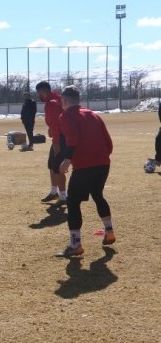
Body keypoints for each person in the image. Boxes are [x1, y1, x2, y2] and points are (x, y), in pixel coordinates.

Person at [56, 86, 114, 257]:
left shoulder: (66, 115)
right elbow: (108, 143)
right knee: (98, 195)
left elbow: (72, 137)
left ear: (65, 101)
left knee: (73, 202)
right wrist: (100, 158)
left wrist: (67, 159)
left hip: (84, 166)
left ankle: (75, 245)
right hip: (103, 164)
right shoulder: (94, 115)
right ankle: (109, 231)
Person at [36, 81, 67, 205]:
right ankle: (54, 192)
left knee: (58, 167)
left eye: (38, 93)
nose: (38, 95)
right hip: (62, 136)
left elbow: (55, 124)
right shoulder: (58, 98)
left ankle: (63, 195)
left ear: (43, 91)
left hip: (60, 138)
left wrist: (56, 143)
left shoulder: (51, 103)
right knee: (52, 165)